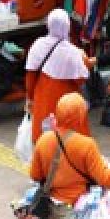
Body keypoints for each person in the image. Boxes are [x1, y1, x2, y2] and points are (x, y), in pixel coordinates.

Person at [26, 8, 92, 141]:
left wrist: (30, 97)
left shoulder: (38, 45)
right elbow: (81, 78)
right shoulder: (73, 52)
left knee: (45, 138)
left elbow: (30, 75)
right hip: (67, 98)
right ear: (68, 26)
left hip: (43, 95)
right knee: (70, 138)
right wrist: (87, 61)